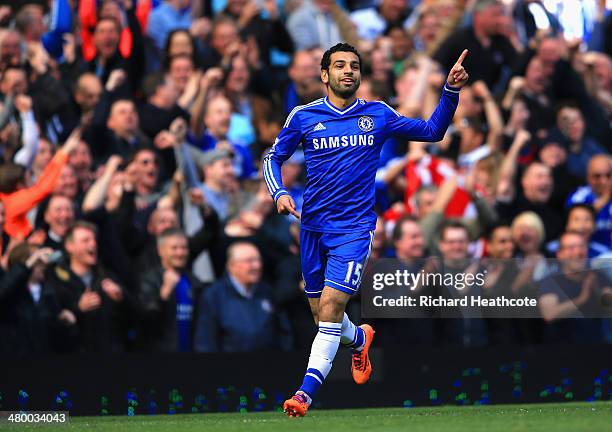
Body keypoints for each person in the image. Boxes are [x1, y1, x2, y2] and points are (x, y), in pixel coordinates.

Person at [264, 42, 469, 417]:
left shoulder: (377, 114)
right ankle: (359, 337)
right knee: (321, 313)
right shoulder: (303, 117)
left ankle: (304, 394)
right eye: (340, 65)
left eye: (354, 66)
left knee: (329, 308)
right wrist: (278, 192)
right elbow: (272, 157)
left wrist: (451, 91)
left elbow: (433, 130)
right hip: (312, 227)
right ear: (324, 75)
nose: (348, 71)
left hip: (354, 230)